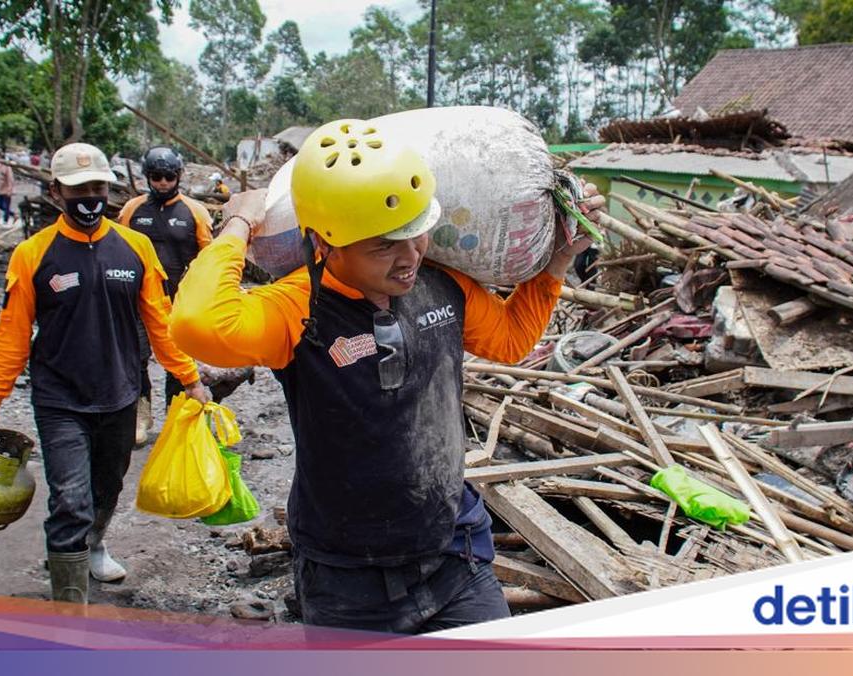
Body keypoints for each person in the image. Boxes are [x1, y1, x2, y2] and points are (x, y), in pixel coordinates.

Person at [169, 120, 598, 633]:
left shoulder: (444, 286)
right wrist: (237, 226)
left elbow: (510, 341)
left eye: (415, 234)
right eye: (382, 247)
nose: (409, 257)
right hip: (348, 578)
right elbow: (196, 324)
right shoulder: (297, 310)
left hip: (454, 555)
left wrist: (557, 264)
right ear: (324, 245)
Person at [0, 142, 209, 604]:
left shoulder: (135, 248)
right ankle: (69, 605)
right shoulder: (33, 254)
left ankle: (93, 542)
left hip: (120, 394)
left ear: (110, 189)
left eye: (98, 186)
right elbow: (12, 334)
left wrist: (190, 378)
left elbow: (159, 323)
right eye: (79, 188)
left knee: (108, 484)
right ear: (57, 192)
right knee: (70, 499)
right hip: (60, 398)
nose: (90, 195)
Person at [118, 146, 213, 446]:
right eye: (156, 177)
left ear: (178, 176)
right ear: (147, 177)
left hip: (177, 301)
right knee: (136, 357)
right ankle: (140, 414)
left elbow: (209, 257)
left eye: (168, 177)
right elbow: (118, 250)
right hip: (137, 301)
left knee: (178, 359)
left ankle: (177, 416)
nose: (162, 183)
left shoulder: (195, 212)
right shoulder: (131, 210)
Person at [0, 159, 15, 226]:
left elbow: (10, 179)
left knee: (6, 206)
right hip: (0, 190)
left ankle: (5, 221)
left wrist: (10, 190)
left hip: (6, 190)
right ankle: (13, 214)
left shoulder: (7, 167)